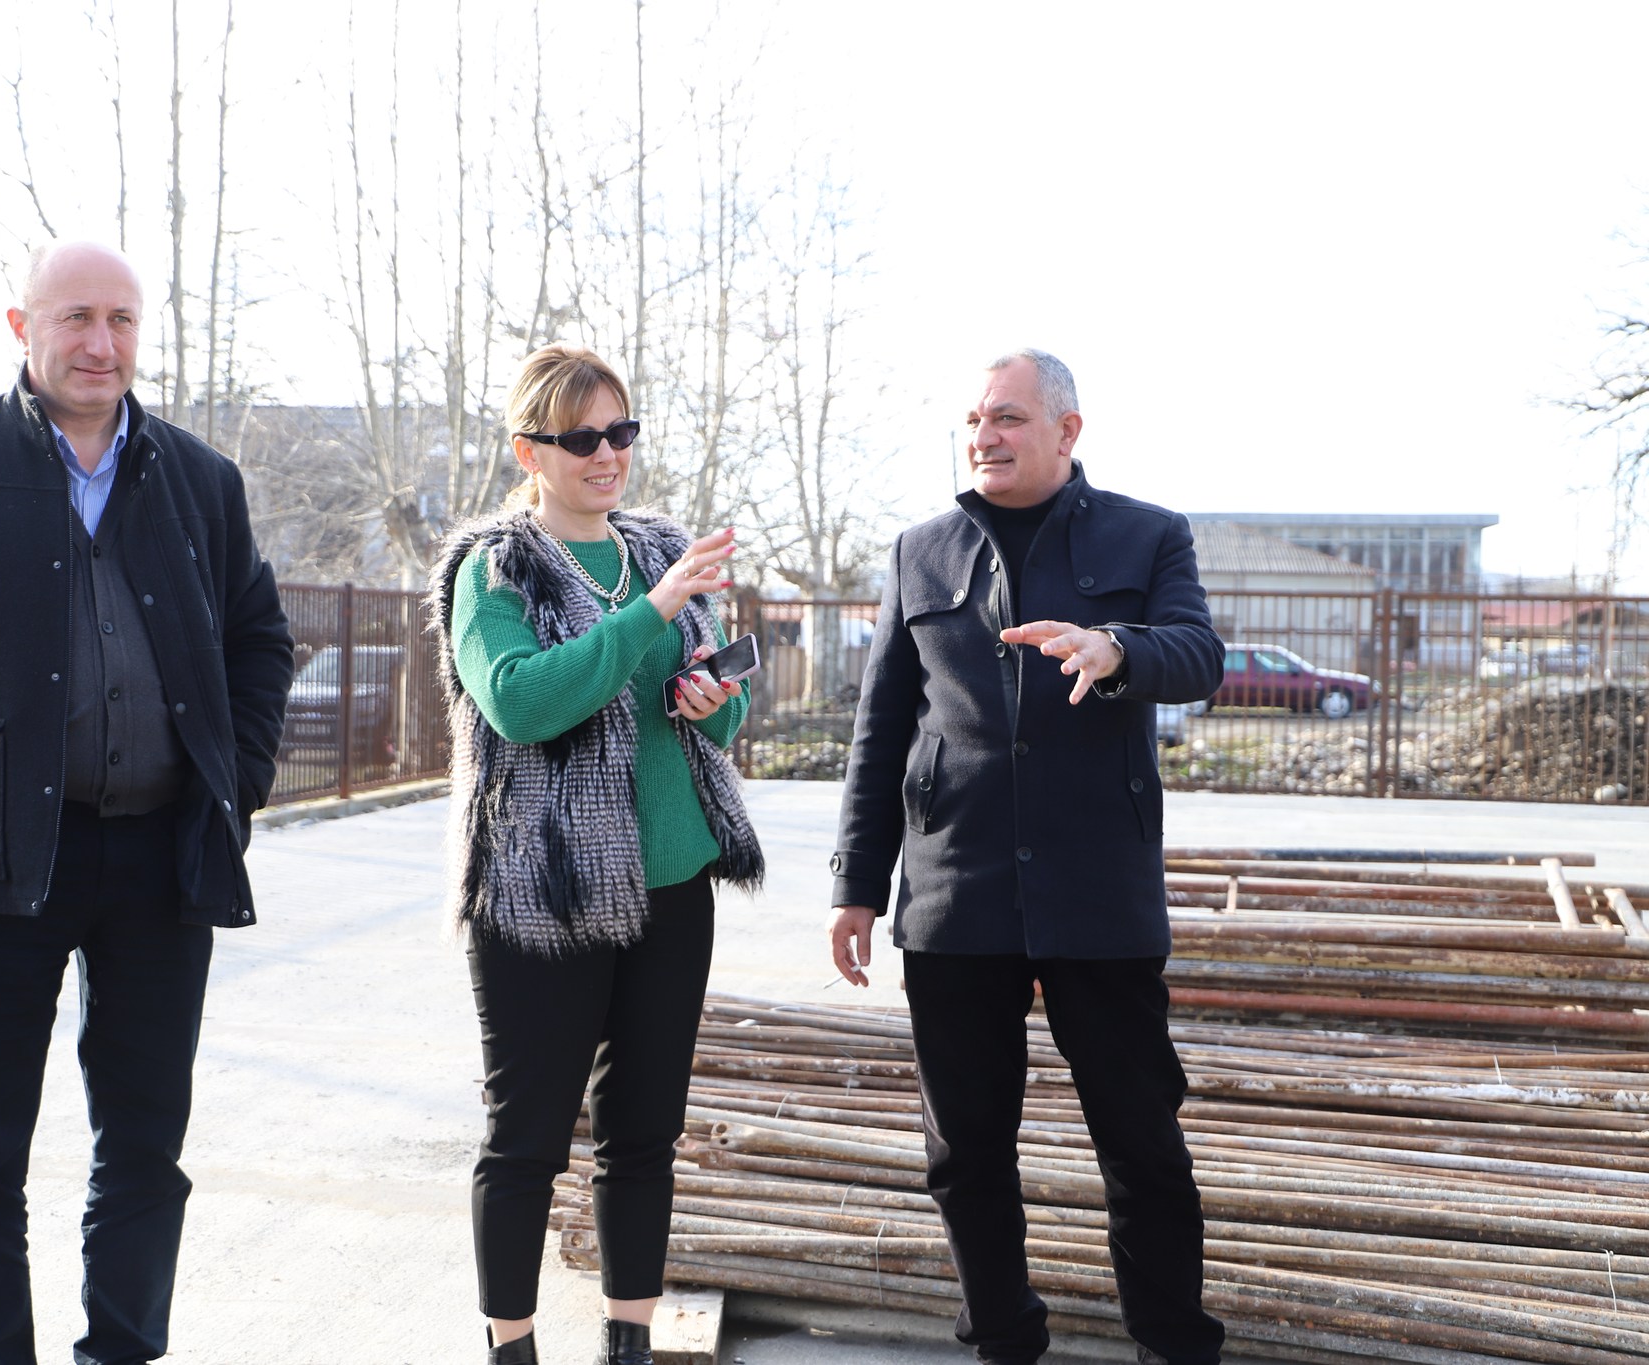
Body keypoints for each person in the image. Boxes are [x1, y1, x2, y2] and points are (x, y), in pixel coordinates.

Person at [0, 239, 294, 1365]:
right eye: (76, 317)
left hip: (161, 861)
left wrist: (231, 781)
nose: (101, 343)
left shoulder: (201, 480)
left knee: (144, 1150)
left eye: (122, 320)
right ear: (22, 327)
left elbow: (259, 640)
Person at [826, 349, 1226, 1365]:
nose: (983, 435)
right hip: (955, 890)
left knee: (1140, 1140)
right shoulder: (920, 550)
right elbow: (882, 729)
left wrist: (1117, 648)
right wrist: (855, 885)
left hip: (1099, 892)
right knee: (964, 1150)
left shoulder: (1147, 534)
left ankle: (1173, 1344)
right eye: (973, 419)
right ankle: (1004, 1340)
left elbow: (1199, 653)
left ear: (1066, 430)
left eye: (1005, 417)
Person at [429, 343, 763, 1365]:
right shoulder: (497, 568)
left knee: (644, 1134)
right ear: (529, 450)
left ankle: (629, 1342)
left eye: (621, 430)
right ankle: (512, 1347)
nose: (608, 453)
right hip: (544, 888)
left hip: (672, 884)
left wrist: (711, 699)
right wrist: (649, 613)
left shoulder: (659, 550)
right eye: (582, 438)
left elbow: (721, 714)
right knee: (526, 1136)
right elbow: (521, 702)